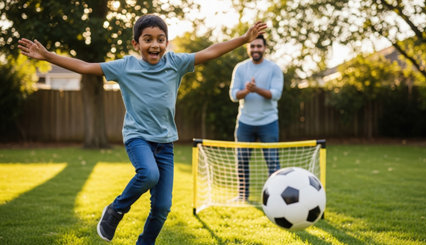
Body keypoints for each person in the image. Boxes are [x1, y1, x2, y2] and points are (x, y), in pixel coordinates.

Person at [19, 14, 266, 244]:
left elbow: (210, 52)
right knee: (149, 174)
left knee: (161, 209)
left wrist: (244, 39)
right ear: (136, 43)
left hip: (165, 143)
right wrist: (49, 56)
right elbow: (85, 67)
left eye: (160, 39)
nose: (155, 45)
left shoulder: (175, 63)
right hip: (138, 137)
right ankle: (116, 209)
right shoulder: (125, 67)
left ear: (167, 42)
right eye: (148, 40)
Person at [229, 34, 283, 201]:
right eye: (252, 46)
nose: (255, 49)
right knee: (242, 160)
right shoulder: (240, 68)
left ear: (265, 48)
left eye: (259, 46)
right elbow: (233, 95)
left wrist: (255, 89)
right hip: (245, 122)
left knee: (273, 162)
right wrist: (247, 90)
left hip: (269, 122)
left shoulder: (274, 68)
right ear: (248, 48)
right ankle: (242, 196)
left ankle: (274, 197)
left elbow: (276, 94)